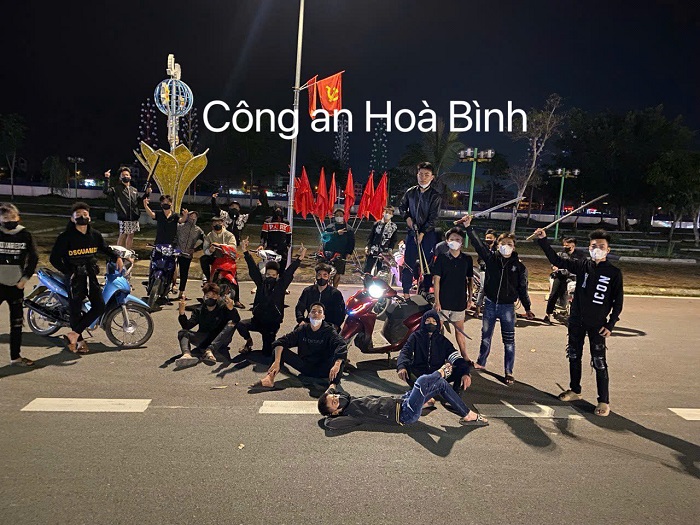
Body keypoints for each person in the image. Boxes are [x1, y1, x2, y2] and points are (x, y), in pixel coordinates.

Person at [533, 228, 624, 417]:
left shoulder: (614, 273)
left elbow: (618, 302)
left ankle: (603, 400)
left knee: (599, 361)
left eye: (601, 246)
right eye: (594, 246)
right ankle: (575, 390)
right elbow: (557, 260)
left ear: (608, 250)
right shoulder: (583, 265)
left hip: (597, 324)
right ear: (589, 248)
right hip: (575, 321)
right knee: (574, 355)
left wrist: (610, 325)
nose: (597, 249)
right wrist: (543, 240)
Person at [462, 216, 535, 385]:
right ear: (497, 245)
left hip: (507, 307)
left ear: (514, 247)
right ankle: (481, 362)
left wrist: (527, 307)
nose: (506, 246)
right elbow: (478, 245)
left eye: (509, 244)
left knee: (509, 341)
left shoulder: (519, 267)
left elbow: (522, 288)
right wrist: (468, 227)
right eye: (503, 243)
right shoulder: (491, 259)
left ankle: (508, 371)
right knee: (485, 337)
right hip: (490, 304)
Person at [318, 362, 488, 430]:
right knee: (422, 381)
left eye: (335, 397)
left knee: (441, 385)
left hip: (404, 399)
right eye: (334, 403)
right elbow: (330, 423)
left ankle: (468, 415)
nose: (337, 399)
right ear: (335, 412)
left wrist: (330, 389)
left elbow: (332, 391)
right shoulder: (351, 415)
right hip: (405, 413)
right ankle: (441, 372)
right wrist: (329, 415)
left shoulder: (349, 400)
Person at [50, 202, 123, 353]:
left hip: (90, 275)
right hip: (74, 277)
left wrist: (117, 257)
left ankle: (74, 334)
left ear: (89, 217)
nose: (82, 217)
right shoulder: (65, 237)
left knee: (99, 306)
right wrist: (68, 271)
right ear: (72, 219)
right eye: (78, 215)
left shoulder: (94, 235)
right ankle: (79, 341)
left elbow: (104, 248)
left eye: (85, 214)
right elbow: (54, 259)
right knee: (75, 309)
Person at [237, 237, 305, 356]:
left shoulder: (281, 286)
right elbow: (253, 269)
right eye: (268, 274)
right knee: (241, 325)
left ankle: (274, 344)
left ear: (277, 276)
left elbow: (289, 272)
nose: (270, 277)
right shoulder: (261, 283)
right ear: (265, 274)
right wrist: (245, 251)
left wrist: (300, 258)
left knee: (267, 353)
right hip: (257, 320)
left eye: (273, 275)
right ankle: (248, 341)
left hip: (272, 324)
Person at [255, 302, 348, 389]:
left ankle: (332, 386)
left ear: (323, 317)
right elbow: (281, 341)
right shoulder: (303, 329)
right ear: (309, 315)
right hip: (305, 367)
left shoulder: (329, 331)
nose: (316, 314)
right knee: (279, 349)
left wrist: (337, 364)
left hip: (324, 369)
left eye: (320, 312)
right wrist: (277, 362)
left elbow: (341, 344)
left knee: (340, 359)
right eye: (313, 311)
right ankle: (269, 378)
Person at [396, 310, 473, 402]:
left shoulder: (443, 341)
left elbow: (456, 357)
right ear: (423, 322)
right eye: (428, 321)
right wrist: (401, 367)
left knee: (461, 370)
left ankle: (455, 396)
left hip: (438, 374)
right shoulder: (415, 337)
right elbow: (405, 352)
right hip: (420, 373)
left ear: (438, 324)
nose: (431, 323)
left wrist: (465, 372)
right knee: (405, 367)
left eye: (434, 321)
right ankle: (421, 391)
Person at [0, 203, 39, 366]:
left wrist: (25, 279)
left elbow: (34, 257)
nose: (9, 220)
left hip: (16, 286)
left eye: (12, 217)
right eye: (5, 218)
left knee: (16, 324)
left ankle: (15, 357)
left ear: (18, 218)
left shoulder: (25, 235)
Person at [398, 161, 441, 299]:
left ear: (432, 177)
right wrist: (407, 218)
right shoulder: (410, 192)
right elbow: (402, 207)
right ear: (417, 175)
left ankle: (426, 291)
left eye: (426, 175)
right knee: (408, 262)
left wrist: (423, 233)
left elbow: (434, 218)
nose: (423, 177)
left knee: (427, 264)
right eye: (421, 174)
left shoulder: (435, 196)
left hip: (427, 234)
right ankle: (406, 293)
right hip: (412, 233)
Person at [432, 228, 474, 361]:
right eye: (452, 239)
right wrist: (437, 301)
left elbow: (470, 280)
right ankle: (435, 356)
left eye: (458, 239)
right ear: (447, 241)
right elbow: (436, 280)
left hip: (459, 301)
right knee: (437, 330)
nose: (455, 242)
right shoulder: (441, 258)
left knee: (460, 330)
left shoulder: (467, 259)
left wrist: (470, 298)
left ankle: (465, 356)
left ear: (462, 242)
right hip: (443, 300)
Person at [175, 283, 241, 367]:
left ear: (218, 297)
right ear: (204, 297)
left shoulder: (224, 307)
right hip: (204, 339)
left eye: (213, 296)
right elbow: (187, 326)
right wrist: (182, 313)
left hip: (220, 340)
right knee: (183, 332)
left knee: (231, 324)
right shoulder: (199, 310)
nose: (210, 298)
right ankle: (186, 355)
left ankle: (210, 350)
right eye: (207, 296)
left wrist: (232, 309)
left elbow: (236, 320)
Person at [295, 263, 346, 331]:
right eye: (319, 275)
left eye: (325, 275)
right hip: (310, 323)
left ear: (328, 276)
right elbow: (300, 307)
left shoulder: (335, 293)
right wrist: (301, 320)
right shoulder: (308, 291)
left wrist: (336, 325)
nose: (322, 278)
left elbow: (340, 312)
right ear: (316, 275)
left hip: (328, 325)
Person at [543, 237, 583, 324]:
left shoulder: (580, 255)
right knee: (554, 294)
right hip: (560, 276)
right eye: (564, 245)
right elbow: (553, 264)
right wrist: (555, 268)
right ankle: (547, 314)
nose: (565, 247)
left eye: (567, 245)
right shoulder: (560, 254)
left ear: (573, 245)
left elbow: (584, 265)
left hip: (573, 277)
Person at [103, 167, 142, 250]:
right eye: (123, 175)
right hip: (124, 216)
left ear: (130, 176)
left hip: (134, 217)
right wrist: (107, 178)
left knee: (131, 235)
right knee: (123, 234)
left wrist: (147, 194)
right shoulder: (117, 189)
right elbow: (106, 191)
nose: (125, 176)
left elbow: (139, 201)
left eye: (127, 175)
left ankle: (128, 252)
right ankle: (119, 253)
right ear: (120, 178)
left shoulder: (134, 190)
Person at [174, 210, 204, 300]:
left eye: (195, 216)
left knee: (184, 273)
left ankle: (181, 292)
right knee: (172, 268)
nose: (193, 218)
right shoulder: (179, 226)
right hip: (176, 251)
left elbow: (205, 241)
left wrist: (195, 249)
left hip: (187, 254)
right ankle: (172, 285)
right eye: (191, 216)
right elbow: (172, 236)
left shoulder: (198, 230)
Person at [322, 208, 356, 287]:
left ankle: (335, 289)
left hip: (341, 254)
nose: (339, 217)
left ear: (344, 216)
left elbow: (351, 242)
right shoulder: (330, 227)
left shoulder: (349, 229)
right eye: (337, 215)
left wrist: (349, 252)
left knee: (338, 273)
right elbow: (324, 237)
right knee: (327, 272)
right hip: (329, 253)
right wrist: (336, 233)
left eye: (340, 215)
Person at [200, 215, 236, 283]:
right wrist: (210, 251)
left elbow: (233, 247)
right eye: (215, 223)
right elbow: (205, 250)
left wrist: (220, 246)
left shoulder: (229, 235)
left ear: (223, 224)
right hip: (215, 257)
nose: (217, 224)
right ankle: (208, 279)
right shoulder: (209, 236)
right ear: (212, 225)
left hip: (227, 258)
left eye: (219, 222)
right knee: (203, 259)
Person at [364, 205, 398, 274]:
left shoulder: (393, 227)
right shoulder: (377, 224)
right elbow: (371, 236)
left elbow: (393, 240)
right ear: (383, 213)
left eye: (390, 213)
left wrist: (390, 249)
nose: (387, 214)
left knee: (381, 271)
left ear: (392, 215)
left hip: (384, 252)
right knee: (368, 269)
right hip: (373, 250)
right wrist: (368, 246)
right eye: (386, 212)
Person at [474, 229, 497, 317]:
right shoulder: (483, 248)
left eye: (490, 238)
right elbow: (480, 260)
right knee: (483, 287)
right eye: (487, 238)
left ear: (495, 238)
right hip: (484, 270)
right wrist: (485, 265)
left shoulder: (498, 248)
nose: (488, 239)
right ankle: (477, 308)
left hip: (494, 271)